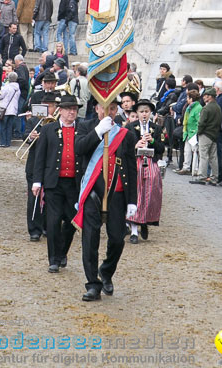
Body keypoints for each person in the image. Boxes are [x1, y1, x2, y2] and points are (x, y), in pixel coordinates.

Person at [74, 97, 138, 301]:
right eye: (104, 107)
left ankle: (106, 271)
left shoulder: (126, 134)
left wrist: (132, 200)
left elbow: (130, 168)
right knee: (90, 239)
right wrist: (97, 132)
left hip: (117, 195)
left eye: (112, 108)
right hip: (93, 193)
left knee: (118, 239)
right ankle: (93, 284)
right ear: (96, 108)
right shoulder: (86, 127)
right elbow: (79, 149)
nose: (108, 112)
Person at [31, 92, 82, 273]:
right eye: (68, 109)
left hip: (74, 184)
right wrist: (37, 181)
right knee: (52, 221)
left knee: (71, 222)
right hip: (54, 183)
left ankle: (62, 252)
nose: (71, 113)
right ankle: (53, 259)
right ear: (60, 111)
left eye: (74, 109)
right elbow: (40, 157)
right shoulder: (48, 130)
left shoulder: (82, 130)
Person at [24, 93, 61, 241]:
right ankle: (34, 229)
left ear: (56, 107)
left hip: (52, 165)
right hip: (35, 164)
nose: (48, 109)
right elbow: (25, 137)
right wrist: (31, 137)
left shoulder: (60, 122)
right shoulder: (34, 120)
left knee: (51, 198)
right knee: (34, 198)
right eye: (45, 106)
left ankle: (47, 226)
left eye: (51, 106)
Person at [127, 98, 164, 243]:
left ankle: (145, 221)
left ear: (150, 113)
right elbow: (125, 147)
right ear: (137, 112)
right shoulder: (131, 127)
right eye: (141, 112)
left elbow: (161, 149)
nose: (144, 115)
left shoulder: (156, 128)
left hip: (151, 164)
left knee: (150, 194)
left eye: (146, 112)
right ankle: (134, 230)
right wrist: (136, 145)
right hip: (136, 163)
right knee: (136, 194)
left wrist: (153, 141)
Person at [193, 86, 221, 185]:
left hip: (205, 134)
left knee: (203, 156)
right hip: (214, 135)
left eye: (205, 95)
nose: (204, 97)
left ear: (210, 97)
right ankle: (214, 177)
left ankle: (202, 177)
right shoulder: (218, 107)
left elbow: (201, 123)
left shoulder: (206, 108)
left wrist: (199, 132)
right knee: (213, 157)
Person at [0, 72, 20, 148]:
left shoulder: (6, 87)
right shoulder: (18, 89)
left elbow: (0, 96)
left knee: (2, 126)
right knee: (9, 127)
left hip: (5, 109)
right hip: (13, 110)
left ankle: (2, 142)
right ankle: (8, 142)